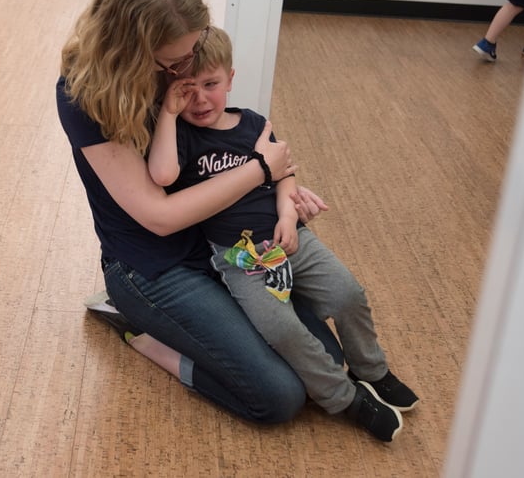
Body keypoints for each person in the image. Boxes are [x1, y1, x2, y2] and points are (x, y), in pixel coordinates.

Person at [57, 0, 346, 426]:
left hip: (221, 243)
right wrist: (256, 172)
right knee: (279, 397)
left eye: (192, 54)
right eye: (175, 62)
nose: (186, 71)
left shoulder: (178, 61)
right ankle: (142, 333)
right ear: (134, 51)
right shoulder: (82, 95)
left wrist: (275, 185)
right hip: (152, 266)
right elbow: (160, 216)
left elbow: (220, 148)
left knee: (326, 364)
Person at [146, 26, 418, 442]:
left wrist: (289, 218)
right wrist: (167, 113)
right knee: (282, 328)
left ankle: (371, 370)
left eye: (211, 85)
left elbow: (285, 175)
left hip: (291, 237)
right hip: (242, 260)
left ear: (231, 79)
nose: (200, 99)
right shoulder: (183, 138)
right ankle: (345, 398)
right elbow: (163, 174)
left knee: (348, 293)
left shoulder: (253, 124)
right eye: (187, 89)